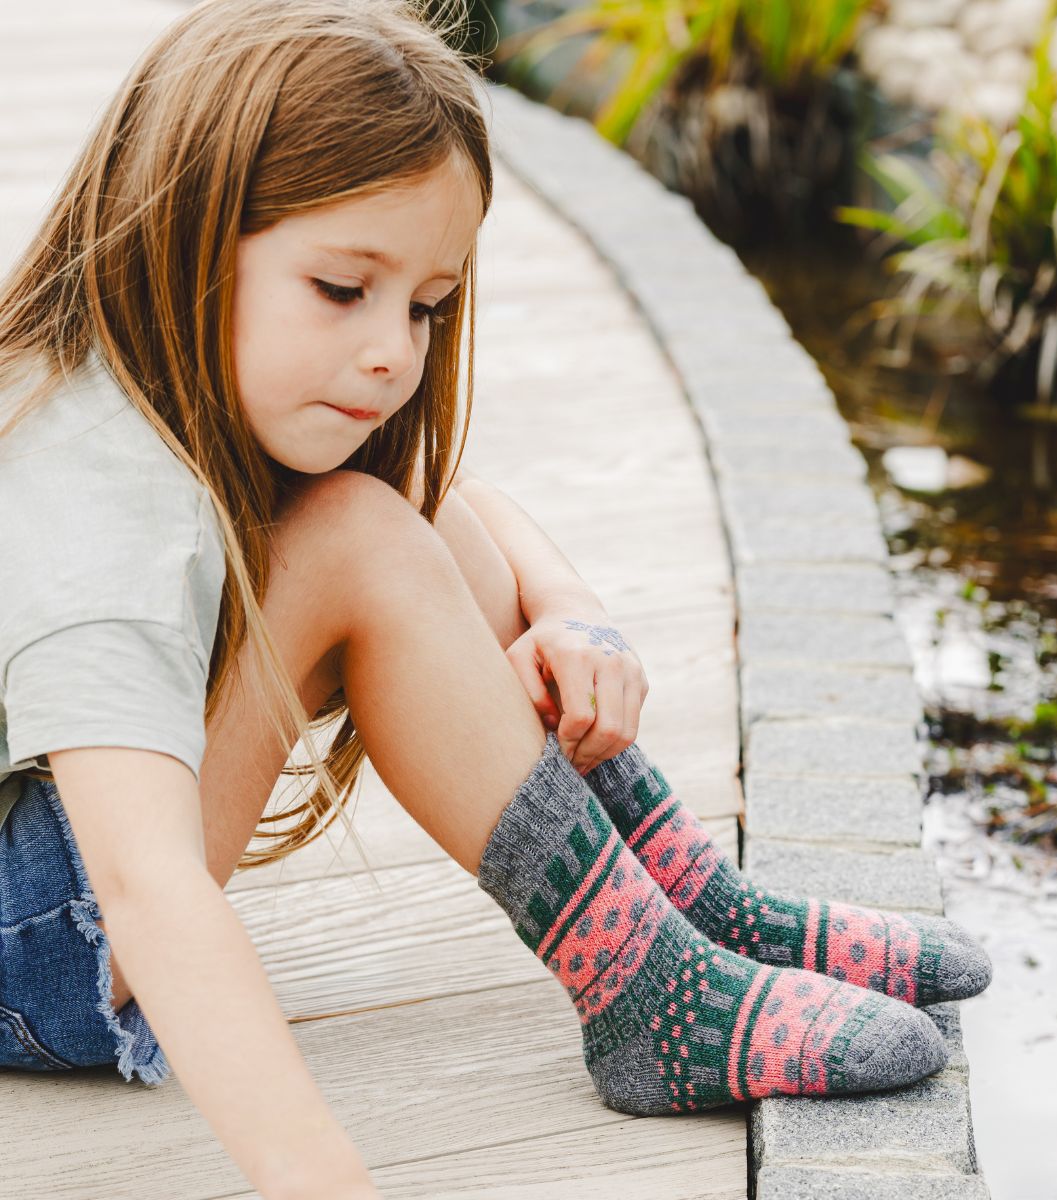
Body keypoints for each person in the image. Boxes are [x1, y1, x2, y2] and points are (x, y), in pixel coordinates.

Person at [0, 0, 992, 1194]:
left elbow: (444, 495)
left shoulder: (176, 368)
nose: (392, 351)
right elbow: (143, 893)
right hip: (43, 954)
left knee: (390, 513)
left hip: (52, 893)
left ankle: (689, 908)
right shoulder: (92, 498)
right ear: (188, 229)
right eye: (340, 287)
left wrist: (567, 606)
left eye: (424, 306)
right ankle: (648, 992)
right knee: (362, 539)